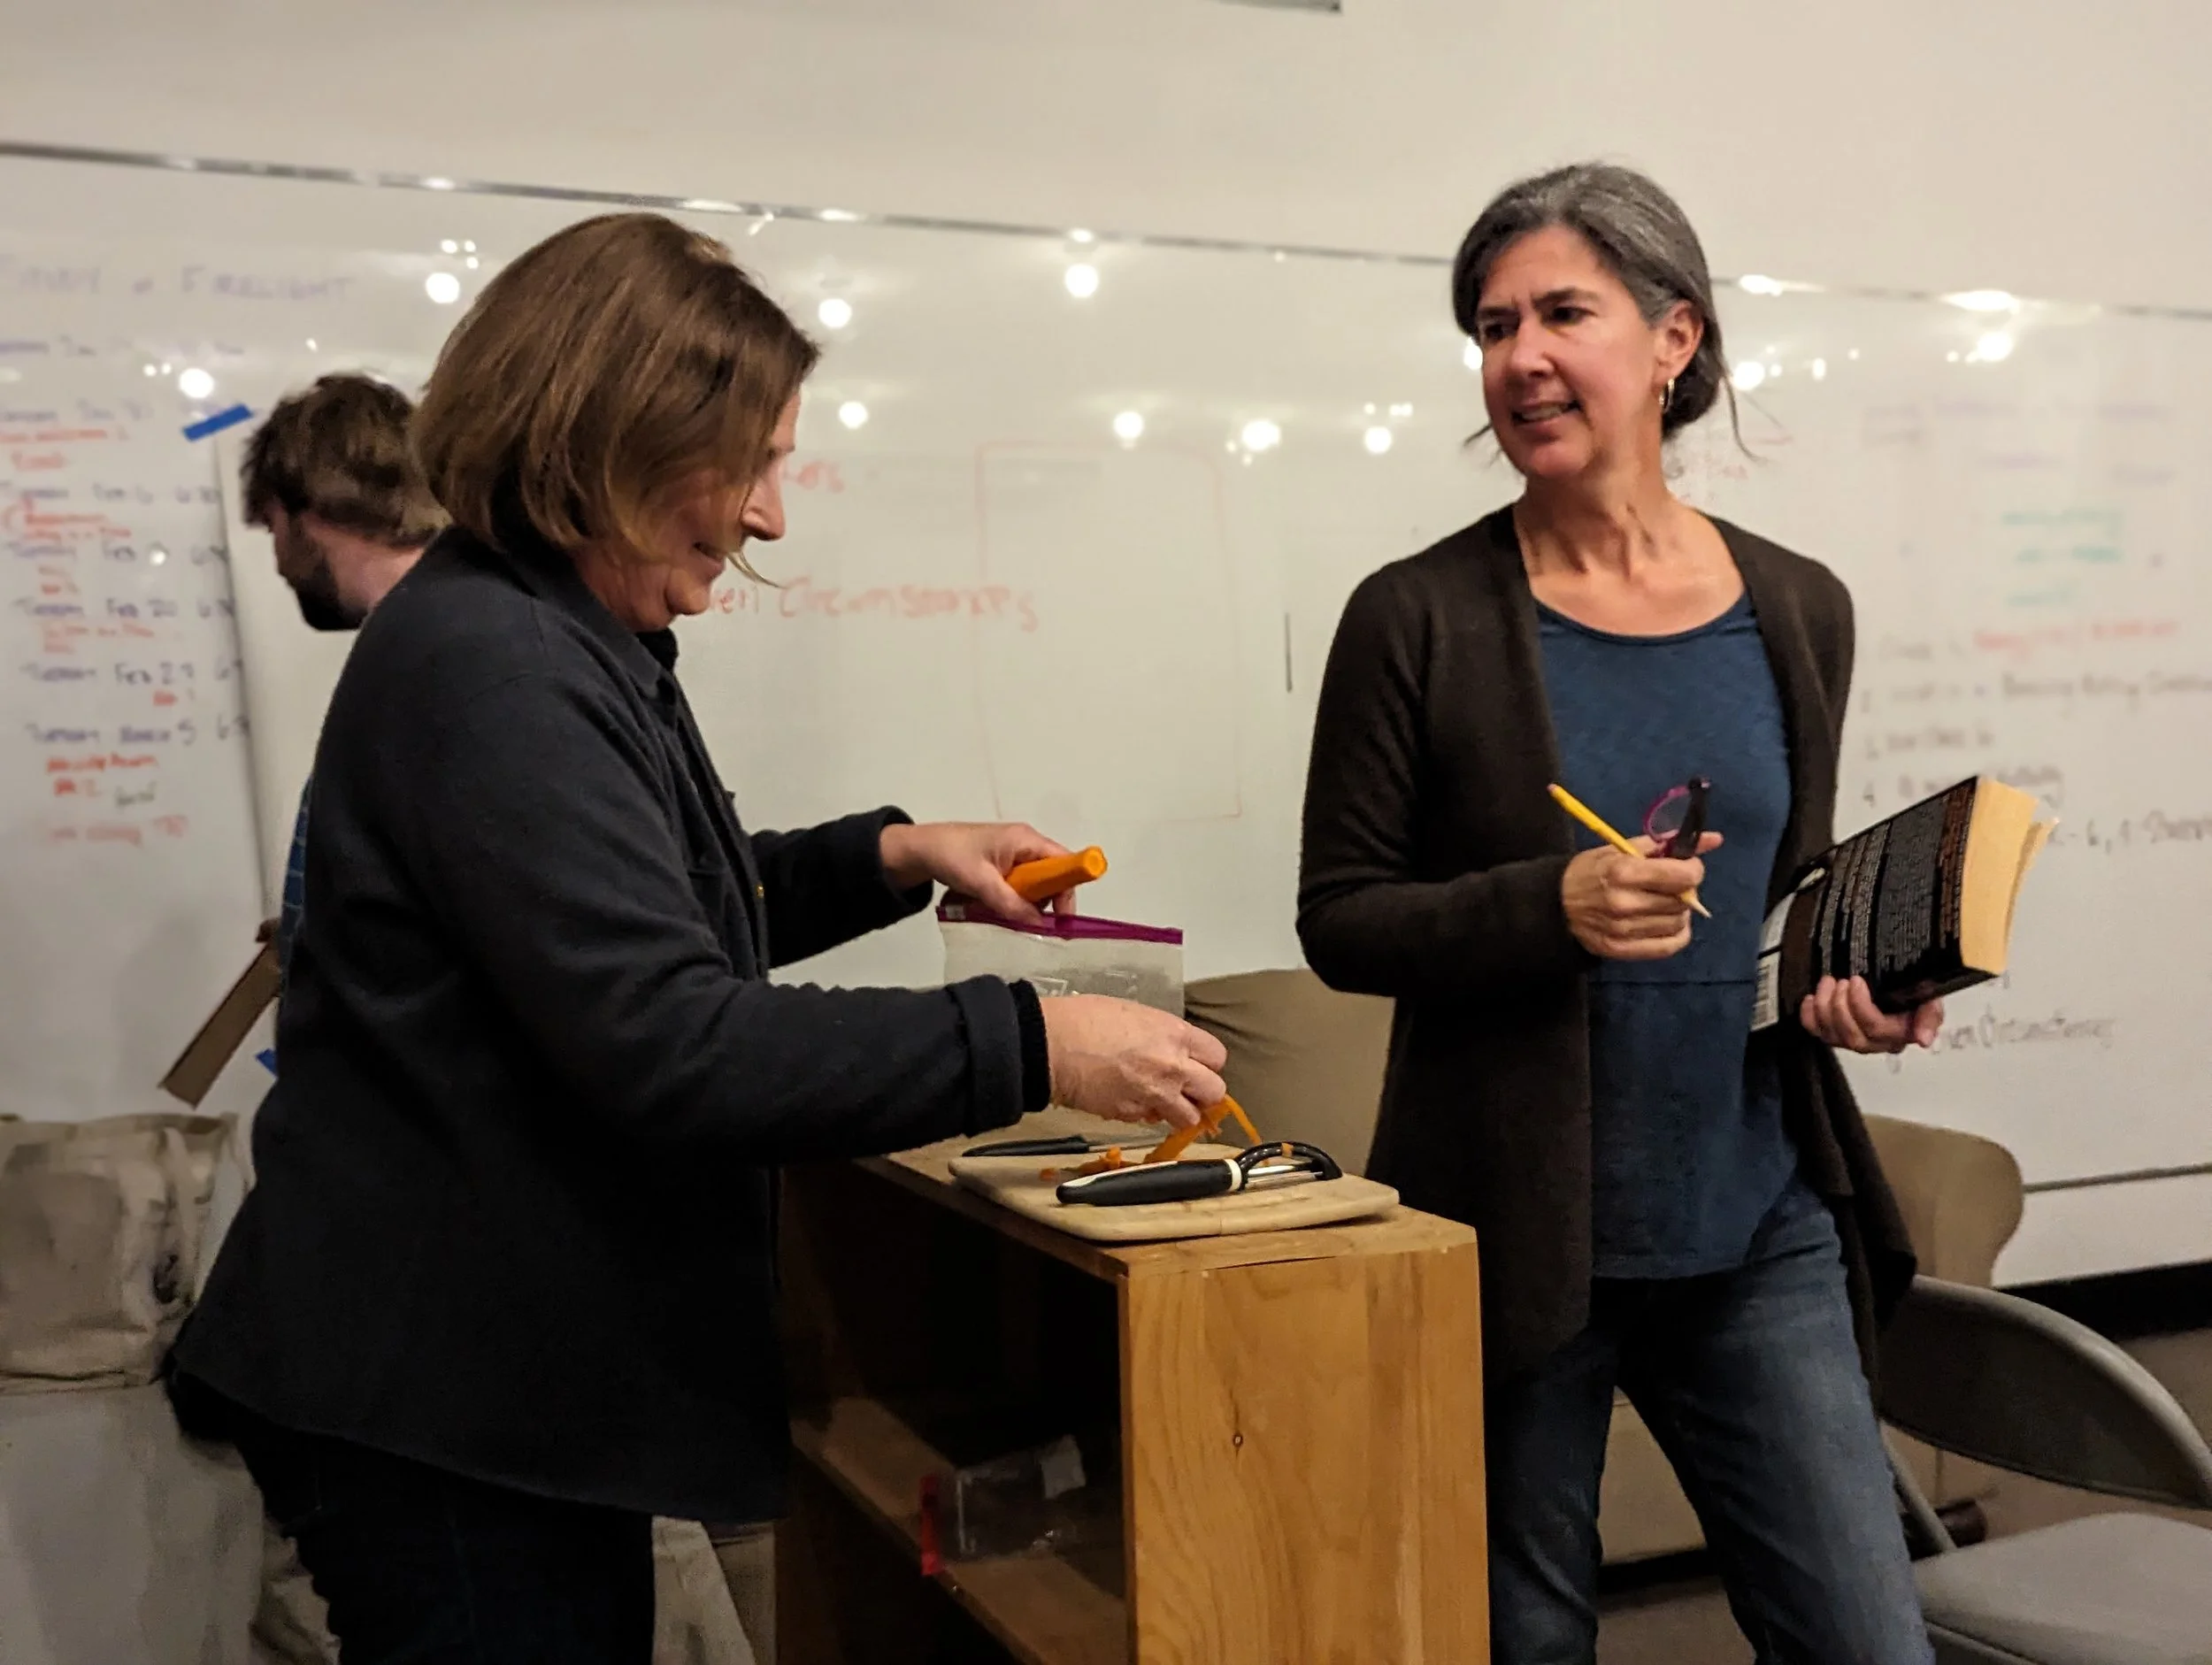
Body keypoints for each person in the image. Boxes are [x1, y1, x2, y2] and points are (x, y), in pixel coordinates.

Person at [166, 211, 1228, 1665]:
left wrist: (898, 855)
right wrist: (1036, 1036)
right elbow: (672, 1035)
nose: (771, 515)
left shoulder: (542, 635)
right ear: (606, 441)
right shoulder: (501, 671)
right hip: (449, 1412)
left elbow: (656, 913)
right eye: (754, 464)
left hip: (488, 1390)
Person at [1298, 163, 1939, 1664]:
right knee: (1528, 1640)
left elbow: (1793, 890)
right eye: (1492, 322)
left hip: (1756, 1214)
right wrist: (1552, 902)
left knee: (1867, 1638)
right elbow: (1344, 916)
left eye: (1561, 311)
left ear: (1673, 338)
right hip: (1514, 1230)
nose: (1518, 353)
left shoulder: (1799, 604)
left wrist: (1861, 973)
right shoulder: (1419, 614)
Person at [239, 372, 445, 977]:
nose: (278, 562)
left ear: (312, 507)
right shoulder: (419, 637)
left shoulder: (439, 652)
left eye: (274, 527)